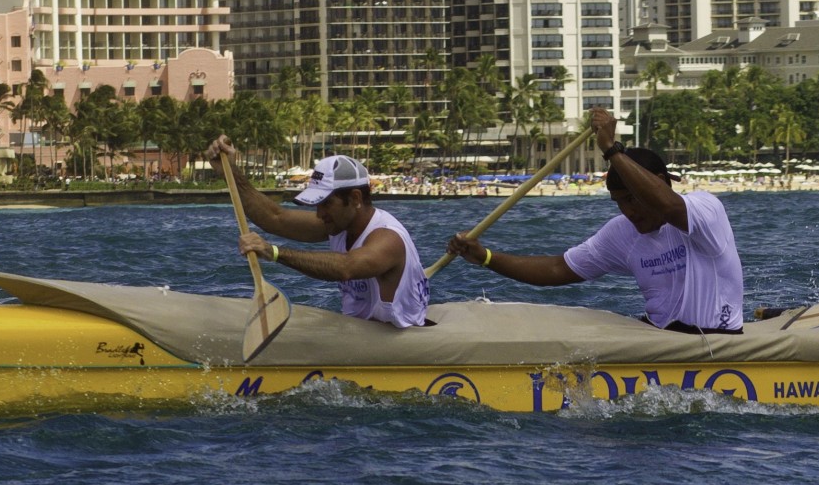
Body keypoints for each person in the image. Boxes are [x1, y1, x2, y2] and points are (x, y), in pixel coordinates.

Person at [442, 107, 746, 333]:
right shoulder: (621, 233)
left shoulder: (706, 210)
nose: (627, 211)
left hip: (717, 340)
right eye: (619, 202)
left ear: (662, 181)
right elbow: (559, 268)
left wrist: (611, 150)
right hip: (659, 337)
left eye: (632, 199)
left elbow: (668, 208)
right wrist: (486, 257)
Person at [213, 140, 429, 328]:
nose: (319, 214)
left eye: (326, 204)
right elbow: (275, 218)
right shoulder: (338, 224)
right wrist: (230, 171)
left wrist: (274, 252)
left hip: (395, 338)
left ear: (355, 198)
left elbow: (346, 267)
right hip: (360, 331)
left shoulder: (388, 238)